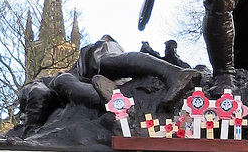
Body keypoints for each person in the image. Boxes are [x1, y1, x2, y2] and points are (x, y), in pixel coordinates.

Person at [18, 35, 200, 136]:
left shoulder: (36, 86)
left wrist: (29, 134)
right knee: (97, 69)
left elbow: (39, 96)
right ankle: (116, 102)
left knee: (101, 64)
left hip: (91, 58)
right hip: (98, 80)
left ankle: (174, 74)